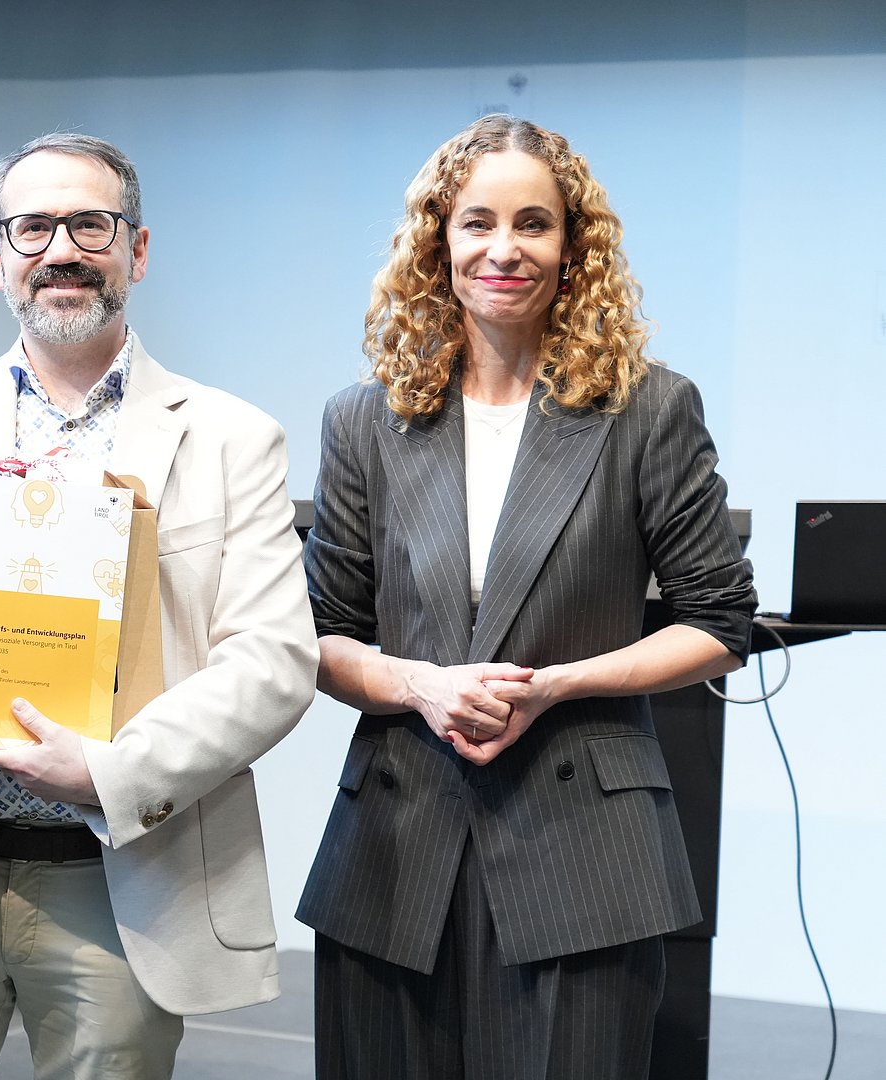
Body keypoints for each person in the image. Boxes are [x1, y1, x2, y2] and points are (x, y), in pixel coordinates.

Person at [0, 132, 319, 1079]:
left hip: (123, 887)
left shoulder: (233, 438)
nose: (62, 250)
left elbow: (273, 661)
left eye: (92, 225)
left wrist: (109, 773)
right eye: (33, 228)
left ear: (138, 250)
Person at [299, 114, 757, 1079]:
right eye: (477, 223)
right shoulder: (364, 419)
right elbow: (322, 639)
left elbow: (719, 621)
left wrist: (554, 685)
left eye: (533, 224)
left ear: (572, 246)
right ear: (439, 242)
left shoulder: (648, 409)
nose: (503, 249)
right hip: (391, 858)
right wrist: (422, 685)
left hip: (584, 852)